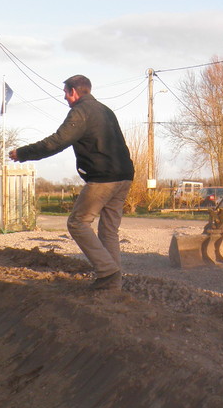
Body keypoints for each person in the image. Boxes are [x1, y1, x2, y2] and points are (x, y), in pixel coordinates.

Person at [9, 75, 134, 290]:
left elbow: (56, 142)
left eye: (66, 92)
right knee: (108, 231)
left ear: (74, 91)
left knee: (78, 222)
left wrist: (22, 153)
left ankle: (108, 272)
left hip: (103, 178)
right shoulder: (105, 110)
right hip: (124, 175)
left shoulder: (81, 112)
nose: (64, 97)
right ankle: (114, 284)